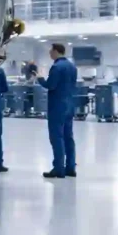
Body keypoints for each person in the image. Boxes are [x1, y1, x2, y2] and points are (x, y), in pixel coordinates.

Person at [38, 43, 78, 179]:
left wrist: (40, 79)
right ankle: (70, 167)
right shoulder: (72, 66)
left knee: (57, 137)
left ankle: (58, 168)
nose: (50, 53)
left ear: (56, 51)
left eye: (51, 50)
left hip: (57, 107)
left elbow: (51, 85)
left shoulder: (56, 67)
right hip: (69, 105)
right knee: (68, 137)